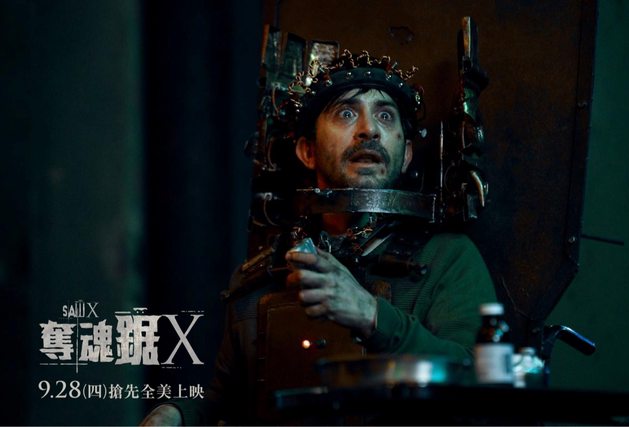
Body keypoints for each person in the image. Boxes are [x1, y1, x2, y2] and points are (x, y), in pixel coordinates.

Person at [140, 49, 497, 426]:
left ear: (406, 153)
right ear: (307, 151)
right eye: (346, 113)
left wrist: (372, 316)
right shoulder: (263, 276)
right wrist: (176, 414)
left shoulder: (445, 260)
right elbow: (227, 400)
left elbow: (480, 387)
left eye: (385, 115)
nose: (368, 130)